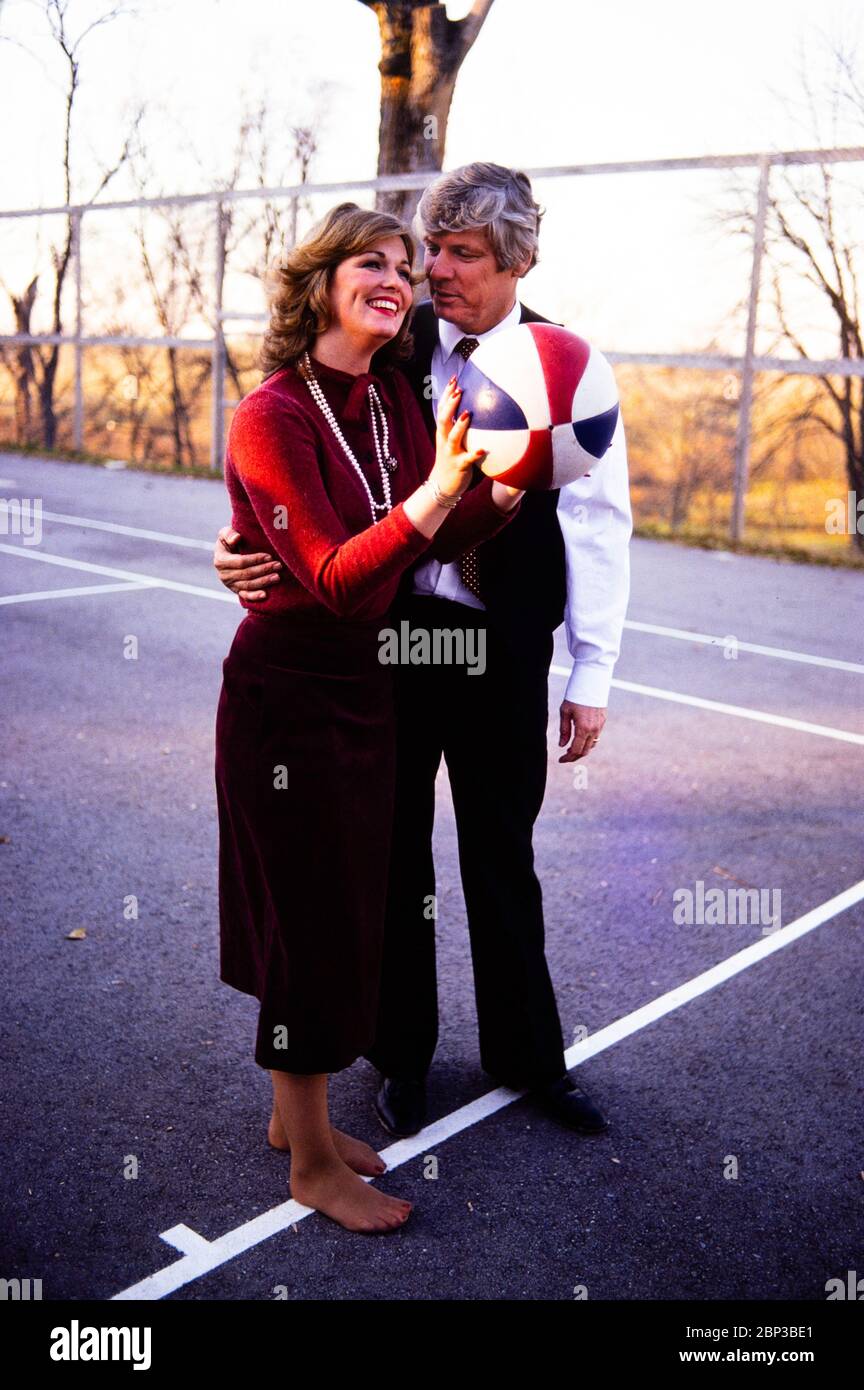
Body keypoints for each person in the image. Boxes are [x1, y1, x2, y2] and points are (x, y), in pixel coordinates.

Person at [215, 163, 632, 1141]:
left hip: (499, 639)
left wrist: (592, 669)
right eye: (429, 249)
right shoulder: (395, 348)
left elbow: (603, 523)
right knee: (389, 859)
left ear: (518, 261)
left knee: (501, 854)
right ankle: (397, 1055)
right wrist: (236, 544)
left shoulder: (563, 367)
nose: (437, 270)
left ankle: (529, 1057)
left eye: (462, 254)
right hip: (394, 635)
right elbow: (299, 465)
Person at [214, 200, 524, 1234]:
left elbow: (421, 535)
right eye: (372, 262)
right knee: (304, 923)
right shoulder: (272, 416)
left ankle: (288, 1118)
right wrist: (441, 494)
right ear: (322, 284)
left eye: (405, 263)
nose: (397, 276)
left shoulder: (391, 396)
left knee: (343, 911)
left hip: (367, 692)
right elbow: (343, 580)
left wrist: (497, 493)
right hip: (287, 702)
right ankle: (312, 1165)